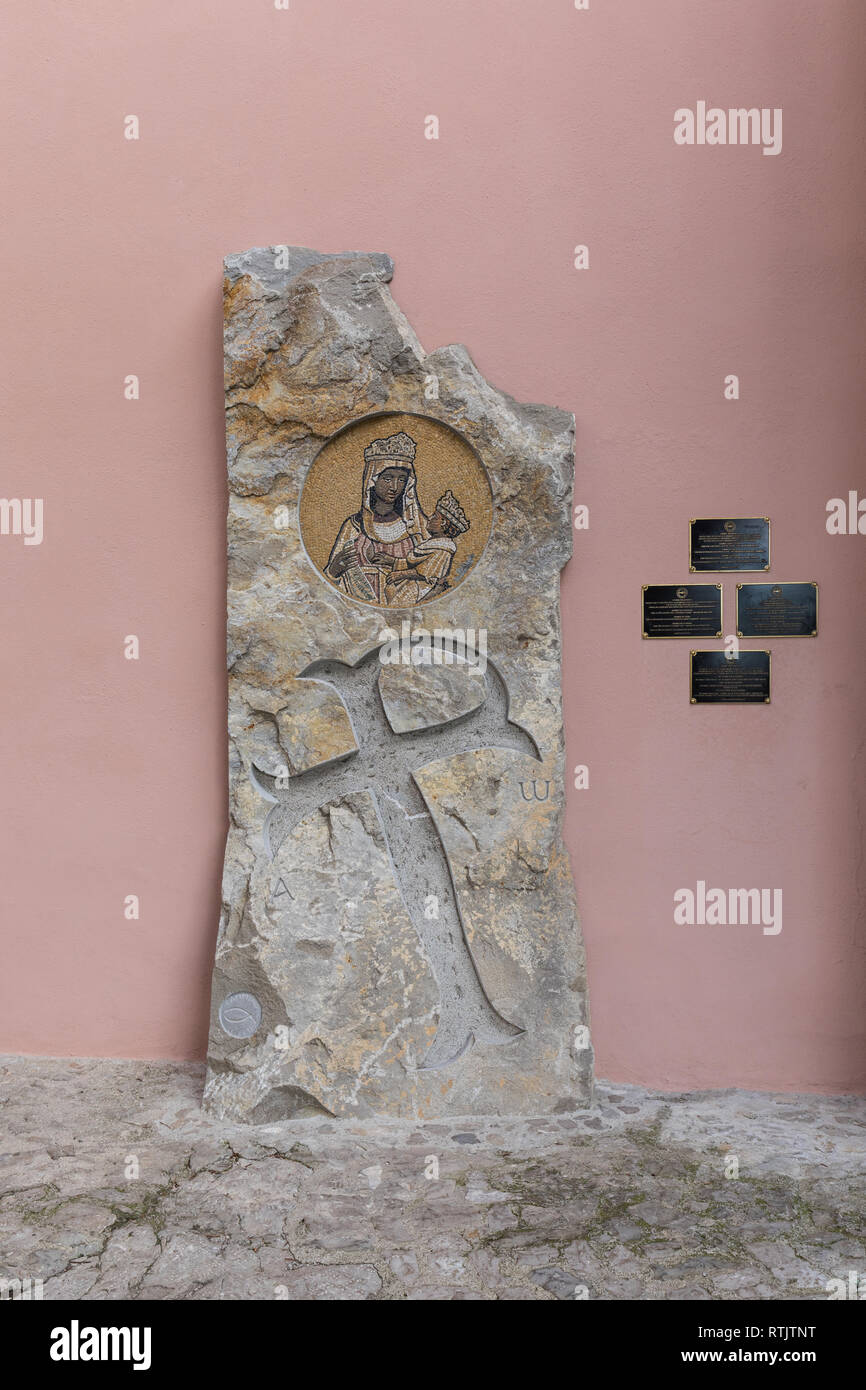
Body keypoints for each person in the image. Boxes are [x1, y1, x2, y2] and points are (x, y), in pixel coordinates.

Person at [325, 431, 469, 606]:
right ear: (372, 480)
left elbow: (434, 576)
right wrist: (333, 571)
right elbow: (328, 586)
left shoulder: (419, 527)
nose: (394, 487)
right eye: (387, 478)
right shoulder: (354, 526)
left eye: (401, 479)